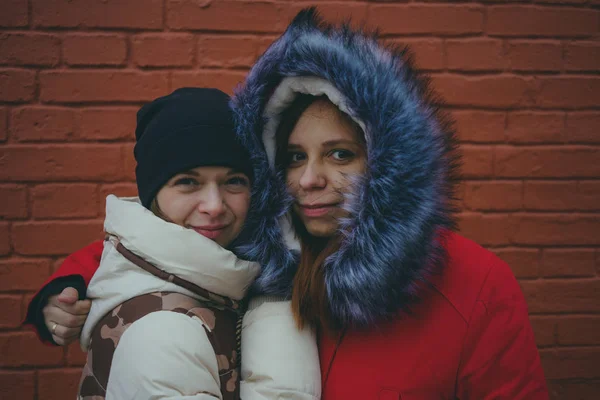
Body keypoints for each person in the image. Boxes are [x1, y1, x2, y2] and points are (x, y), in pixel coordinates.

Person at [26, 8, 548, 399]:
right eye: (294, 156)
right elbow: (152, 250)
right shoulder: (265, 245)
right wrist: (67, 284)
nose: (310, 179)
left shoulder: (473, 285)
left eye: (340, 154)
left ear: (387, 161)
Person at [31, 87, 321, 400]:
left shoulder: (263, 248)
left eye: (234, 180)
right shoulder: (157, 329)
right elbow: (100, 260)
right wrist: (55, 302)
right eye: (187, 182)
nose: (214, 205)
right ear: (152, 195)